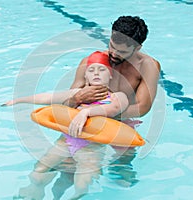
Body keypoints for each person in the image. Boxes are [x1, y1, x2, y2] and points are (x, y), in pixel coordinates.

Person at [3, 51, 129, 199]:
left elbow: (113, 109)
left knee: (82, 186)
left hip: (92, 149)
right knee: (37, 173)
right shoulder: (77, 93)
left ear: (111, 75)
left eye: (102, 69)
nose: (96, 73)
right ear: (86, 76)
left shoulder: (118, 97)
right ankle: (34, 194)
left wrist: (86, 112)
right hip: (65, 142)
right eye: (91, 70)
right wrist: (18, 100)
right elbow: (48, 97)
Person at [65, 16, 161, 187]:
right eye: (112, 46)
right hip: (86, 121)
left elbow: (143, 107)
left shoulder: (147, 66)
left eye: (122, 51)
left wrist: (107, 112)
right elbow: (67, 103)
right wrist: (77, 98)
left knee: (123, 178)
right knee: (67, 172)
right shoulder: (92, 62)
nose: (114, 54)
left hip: (121, 123)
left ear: (137, 47)